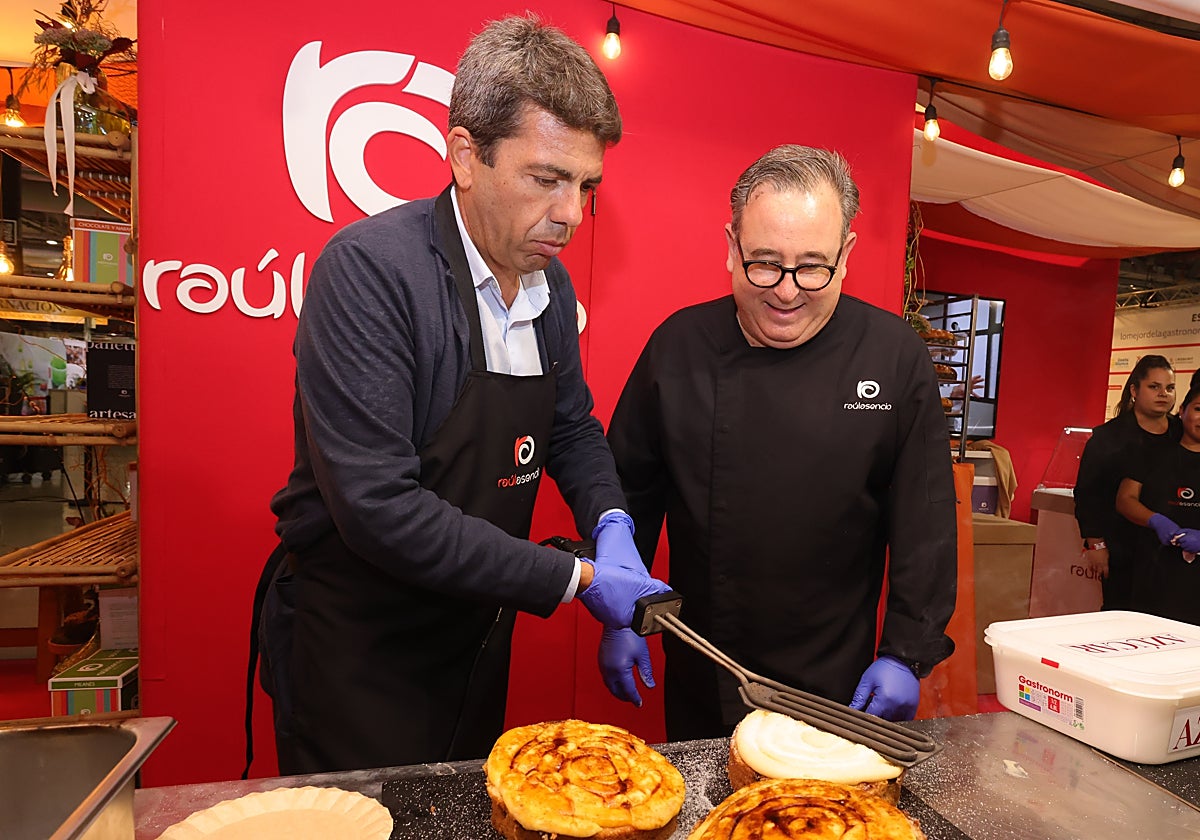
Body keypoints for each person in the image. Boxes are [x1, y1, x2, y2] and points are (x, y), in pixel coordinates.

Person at [255, 15, 668, 775]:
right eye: (546, 179)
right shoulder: (370, 273)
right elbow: (380, 508)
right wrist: (576, 578)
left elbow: (570, 429)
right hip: (360, 653)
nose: (572, 214)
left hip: (475, 633)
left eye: (586, 185)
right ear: (465, 155)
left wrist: (611, 524)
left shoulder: (547, 283)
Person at [605, 145, 957, 741]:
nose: (788, 292)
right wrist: (620, 612)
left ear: (846, 254)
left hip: (837, 680)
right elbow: (628, 493)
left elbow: (924, 523)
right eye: (764, 263)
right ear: (730, 246)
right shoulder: (679, 347)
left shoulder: (894, 356)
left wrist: (906, 653)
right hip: (706, 665)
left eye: (812, 267)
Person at [1074, 355, 1180, 610]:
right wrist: (1096, 543)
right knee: (1121, 613)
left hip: (1171, 547)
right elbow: (1087, 494)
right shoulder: (1108, 438)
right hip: (1123, 546)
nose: (1163, 394)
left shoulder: (1181, 433)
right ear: (1134, 390)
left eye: (1169, 388)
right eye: (1154, 387)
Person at [1115, 383, 1200, 625]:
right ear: (1182, 410)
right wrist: (1155, 520)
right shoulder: (1152, 453)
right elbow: (1125, 499)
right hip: (1154, 569)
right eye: (1199, 409)